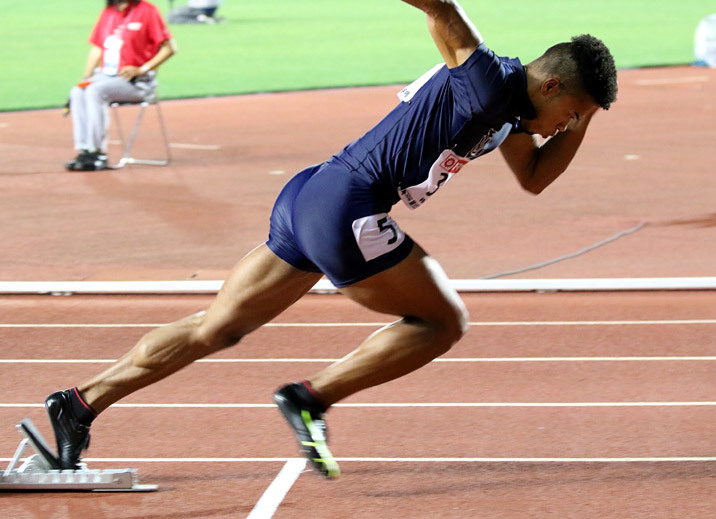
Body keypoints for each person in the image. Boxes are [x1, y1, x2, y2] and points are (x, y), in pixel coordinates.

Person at [45, 0, 617, 477]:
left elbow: (537, 178)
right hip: (349, 205)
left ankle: (79, 403)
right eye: (570, 112)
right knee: (442, 323)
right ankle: (309, 398)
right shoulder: (487, 78)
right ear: (550, 83)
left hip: (311, 197)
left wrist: (588, 115)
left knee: (216, 327)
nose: (565, 126)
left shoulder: (507, 116)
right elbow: (439, 6)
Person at [65, 0, 176, 171]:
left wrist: (142, 69)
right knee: (78, 91)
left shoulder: (147, 11)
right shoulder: (109, 12)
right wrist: (85, 76)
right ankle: (85, 149)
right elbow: (98, 48)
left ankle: (97, 152)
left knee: (95, 91)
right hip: (106, 76)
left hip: (137, 82)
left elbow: (169, 48)